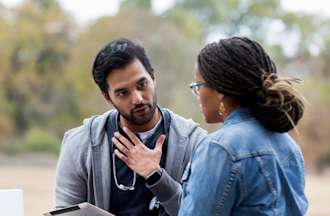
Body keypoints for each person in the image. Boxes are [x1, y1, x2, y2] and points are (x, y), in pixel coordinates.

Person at [55, 38, 206, 216]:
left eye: (142, 85)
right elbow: (64, 213)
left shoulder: (194, 142)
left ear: (153, 77)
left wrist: (156, 175)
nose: (137, 99)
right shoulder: (80, 144)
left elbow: (201, 212)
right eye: (123, 93)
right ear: (107, 97)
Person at [178, 37, 308, 215]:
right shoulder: (288, 144)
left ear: (219, 90)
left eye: (198, 85)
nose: (198, 94)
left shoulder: (220, 148)